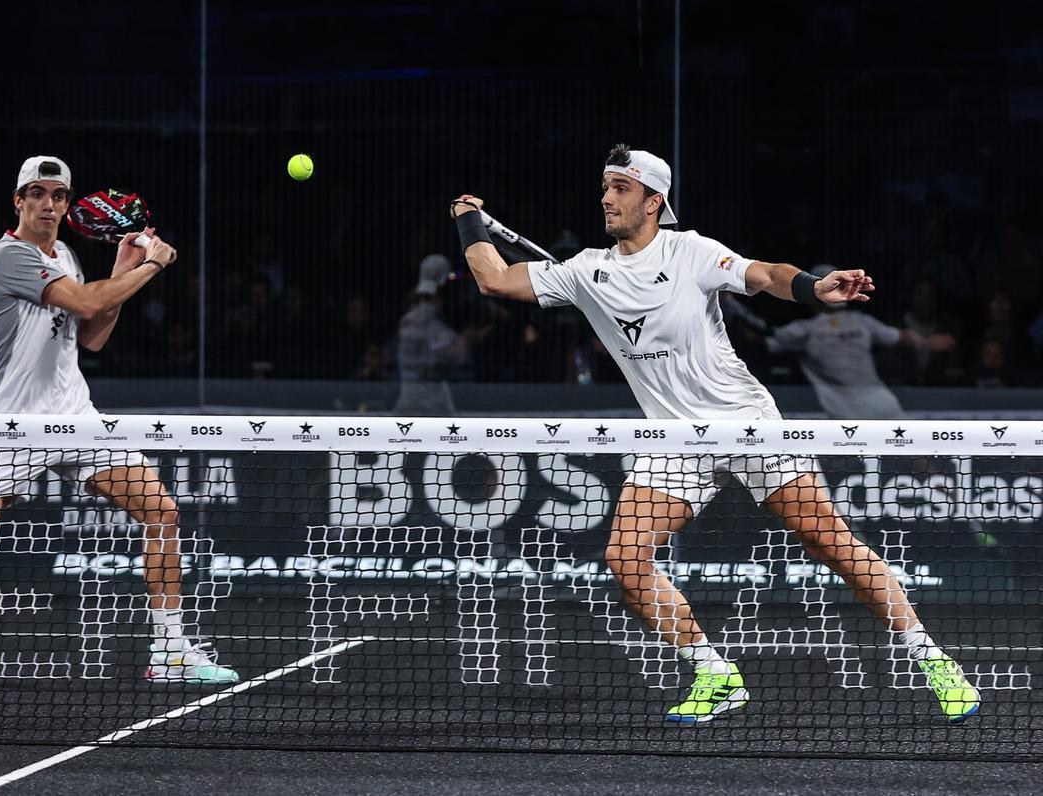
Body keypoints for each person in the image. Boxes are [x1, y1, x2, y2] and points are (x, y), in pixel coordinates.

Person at [449, 144, 979, 724]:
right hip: (674, 442)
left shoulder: (691, 251)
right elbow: (495, 281)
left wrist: (812, 287)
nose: (606, 197)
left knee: (830, 542)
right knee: (625, 559)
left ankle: (931, 659)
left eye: (620, 188)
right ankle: (714, 673)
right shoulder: (584, 271)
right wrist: (469, 219)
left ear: (654, 201)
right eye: (604, 186)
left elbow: (766, 275)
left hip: (745, 423)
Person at [0, 156, 238, 685]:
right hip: (15, 426)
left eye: (59, 195)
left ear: (68, 205)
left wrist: (120, 270)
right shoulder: (6, 259)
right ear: (18, 201)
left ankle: (172, 649)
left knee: (161, 512)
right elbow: (87, 303)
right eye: (37, 193)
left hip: (76, 414)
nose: (48, 203)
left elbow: (91, 334)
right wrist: (150, 266)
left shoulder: (65, 252)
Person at [765, 264, 956, 419]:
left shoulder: (807, 329)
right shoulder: (809, 329)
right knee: (911, 454)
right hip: (857, 407)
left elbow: (763, 340)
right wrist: (928, 342)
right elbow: (903, 337)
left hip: (862, 408)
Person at [392, 255, 467, 415]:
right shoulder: (412, 321)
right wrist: (466, 340)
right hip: (416, 406)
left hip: (439, 403)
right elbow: (433, 363)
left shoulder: (438, 321)